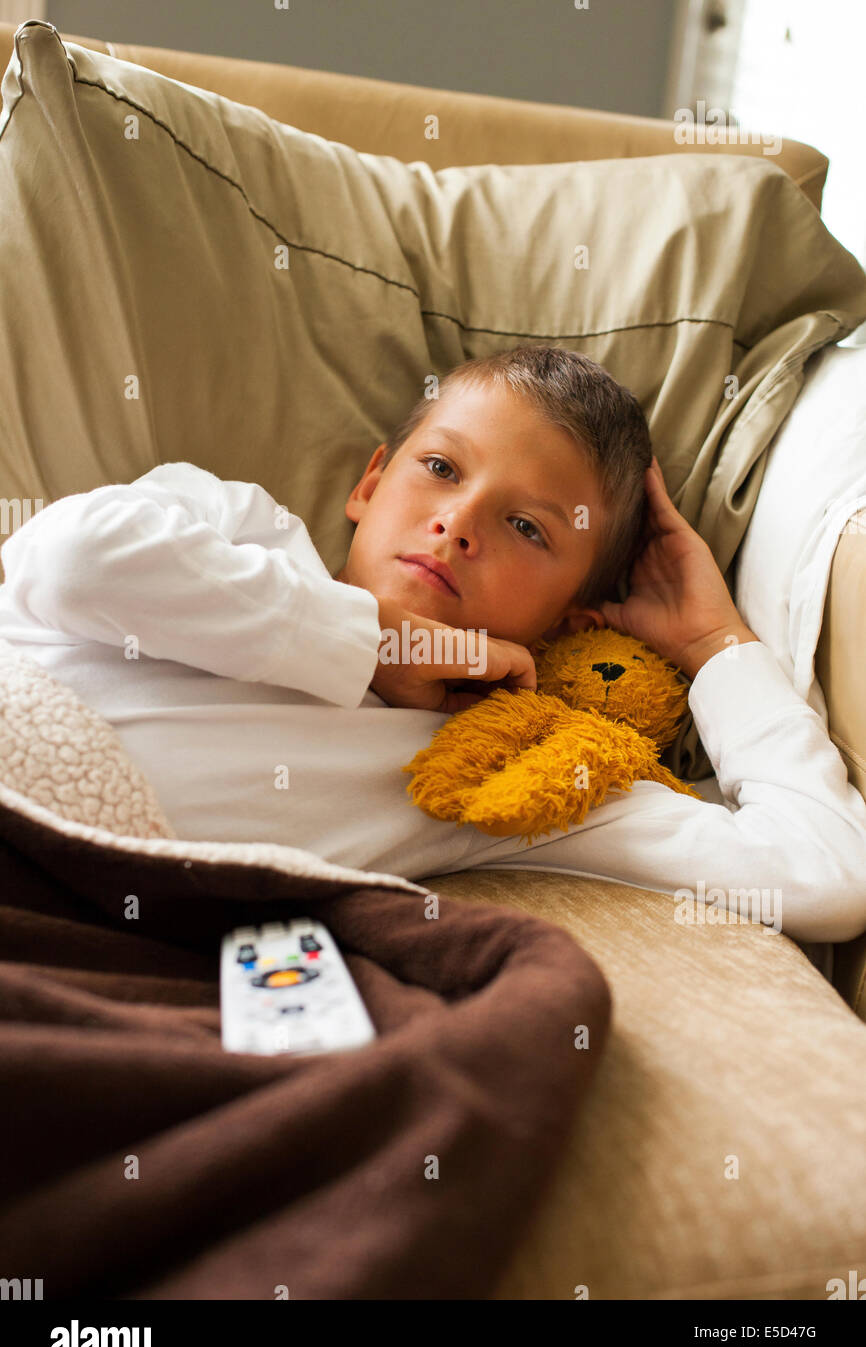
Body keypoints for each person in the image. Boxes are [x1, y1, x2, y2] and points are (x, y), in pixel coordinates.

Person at [0, 346, 863, 945]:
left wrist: (715, 643)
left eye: (526, 526)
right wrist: (373, 647)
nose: (457, 524)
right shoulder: (241, 529)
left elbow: (823, 873)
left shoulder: (503, 775)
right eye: (442, 469)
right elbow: (66, 562)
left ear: (572, 617)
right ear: (372, 483)